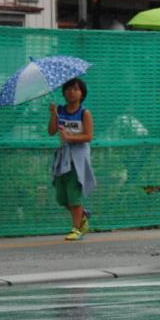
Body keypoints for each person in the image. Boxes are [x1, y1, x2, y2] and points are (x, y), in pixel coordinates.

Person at [48, 77, 96, 242]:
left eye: (76, 89)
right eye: (68, 89)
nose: (71, 92)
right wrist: (53, 114)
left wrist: (70, 136)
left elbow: (88, 136)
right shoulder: (60, 110)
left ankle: (77, 229)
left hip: (78, 159)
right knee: (62, 197)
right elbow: (51, 131)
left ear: (82, 93)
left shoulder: (84, 113)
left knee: (74, 195)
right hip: (63, 158)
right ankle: (83, 215)